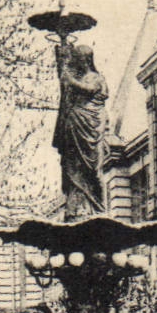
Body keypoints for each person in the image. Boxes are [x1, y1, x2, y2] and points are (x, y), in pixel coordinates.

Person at [53, 42, 108, 219]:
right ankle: (75, 207)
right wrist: (61, 59)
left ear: (85, 60)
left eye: (78, 60)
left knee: (93, 170)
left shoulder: (96, 78)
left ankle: (97, 207)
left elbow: (90, 89)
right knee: (72, 166)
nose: (77, 63)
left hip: (91, 126)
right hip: (75, 125)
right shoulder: (76, 79)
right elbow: (65, 91)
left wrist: (70, 80)